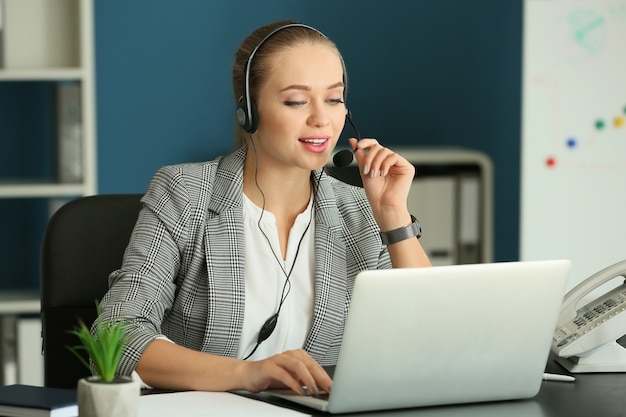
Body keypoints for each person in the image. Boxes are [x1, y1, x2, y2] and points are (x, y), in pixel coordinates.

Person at [96, 19, 431, 396]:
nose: (322, 118)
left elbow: (431, 341)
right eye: (296, 101)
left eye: (334, 98)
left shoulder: (360, 212)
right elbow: (117, 334)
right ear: (249, 111)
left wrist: (393, 216)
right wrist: (248, 374)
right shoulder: (186, 193)